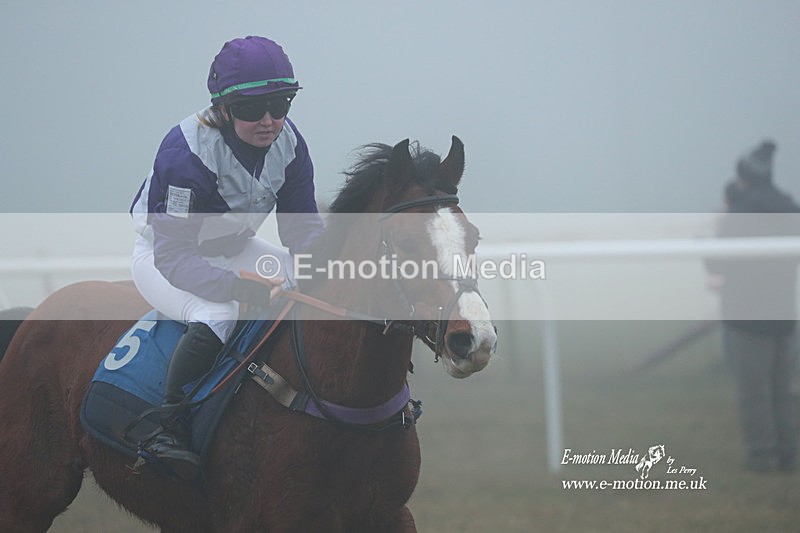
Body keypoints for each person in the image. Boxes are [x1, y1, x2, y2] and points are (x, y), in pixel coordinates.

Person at [129, 36, 324, 479]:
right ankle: (166, 428)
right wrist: (238, 287)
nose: (269, 120)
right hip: (164, 253)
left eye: (281, 103)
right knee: (219, 310)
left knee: (309, 277)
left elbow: (302, 230)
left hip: (232, 245)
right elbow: (175, 256)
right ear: (222, 107)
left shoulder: (291, 144)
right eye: (253, 108)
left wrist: (322, 268)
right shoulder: (186, 153)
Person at [706, 140, 800, 472]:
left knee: (753, 394)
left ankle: (762, 457)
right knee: (782, 392)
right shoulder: (789, 206)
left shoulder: (741, 210)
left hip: (746, 315)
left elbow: (715, 264)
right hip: (784, 312)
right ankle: (789, 455)